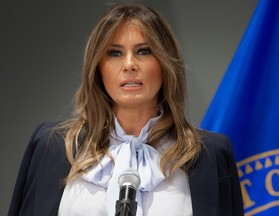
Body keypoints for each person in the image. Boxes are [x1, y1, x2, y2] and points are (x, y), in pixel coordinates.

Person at [8, 3, 244, 216]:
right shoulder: (49, 146)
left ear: (165, 63)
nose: (129, 64)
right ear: (98, 68)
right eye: (115, 53)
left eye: (144, 51)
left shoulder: (212, 155)